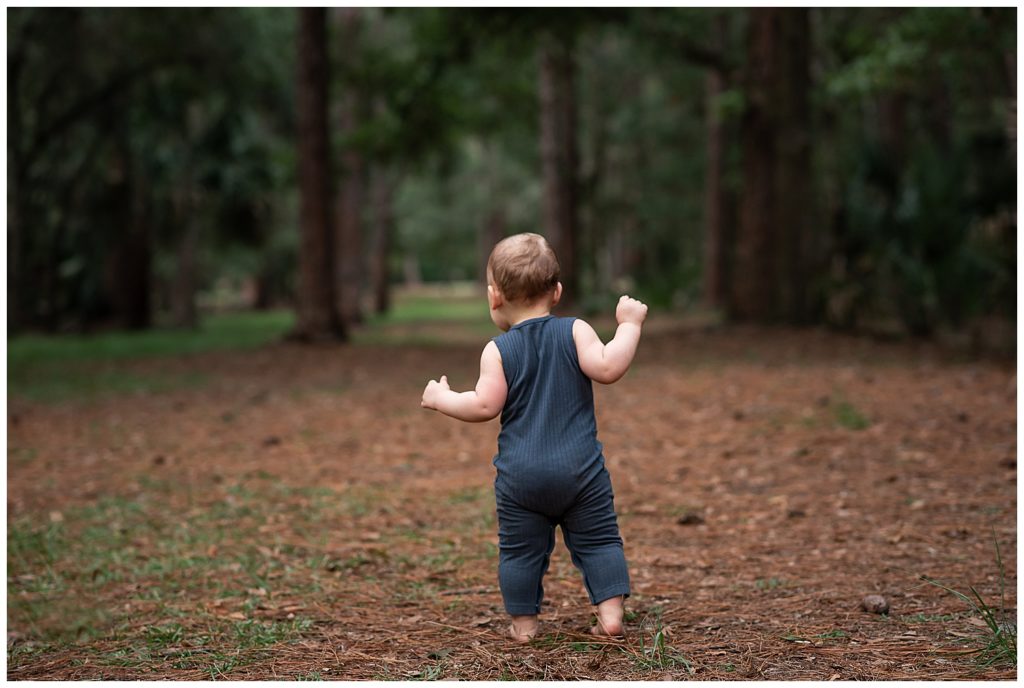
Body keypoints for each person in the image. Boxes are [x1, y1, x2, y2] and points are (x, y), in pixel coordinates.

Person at [420, 233, 648, 643]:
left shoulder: (498, 350)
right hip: (582, 472)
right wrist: (629, 326)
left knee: (520, 552)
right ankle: (610, 613)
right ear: (557, 292)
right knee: (599, 542)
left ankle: (524, 626)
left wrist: (442, 398)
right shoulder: (576, 331)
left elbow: (484, 406)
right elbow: (610, 367)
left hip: (521, 477)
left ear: (494, 297)